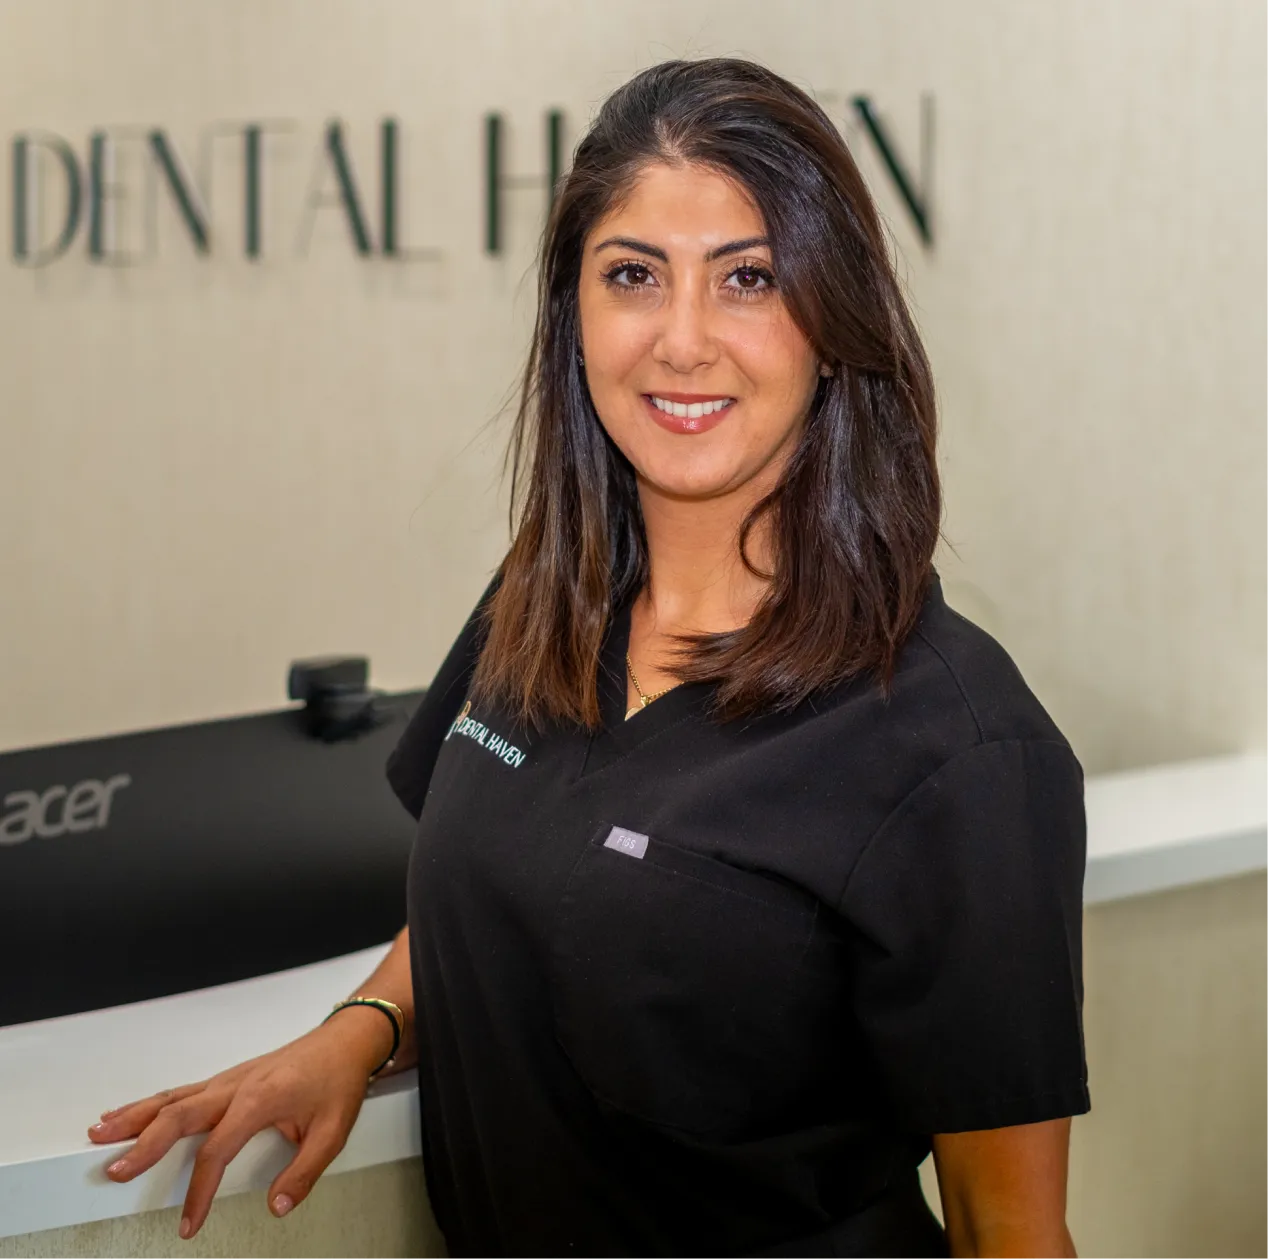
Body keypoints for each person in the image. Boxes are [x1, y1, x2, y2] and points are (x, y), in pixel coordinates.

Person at [88, 57, 1089, 1258]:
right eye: (631, 276)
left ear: (835, 320)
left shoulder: (956, 744)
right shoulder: (541, 602)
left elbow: (1009, 1232)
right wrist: (353, 1031)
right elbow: (498, 891)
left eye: (747, 279)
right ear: (574, 311)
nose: (680, 339)